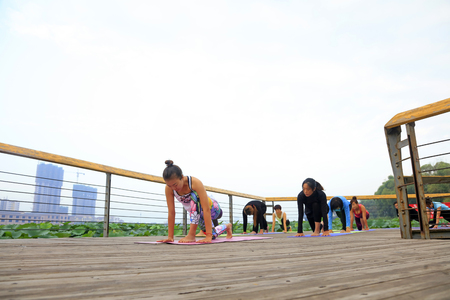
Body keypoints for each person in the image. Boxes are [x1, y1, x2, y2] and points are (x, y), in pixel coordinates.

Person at [157, 160, 232, 243]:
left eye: (175, 184)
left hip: (213, 209)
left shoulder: (194, 183)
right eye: (169, 185)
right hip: (198, 215)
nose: (173, 188)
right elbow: (171, 212)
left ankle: (191, 235)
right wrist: (170, 237)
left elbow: (206, 209)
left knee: (193, 196)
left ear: (182, 177)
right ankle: (227, 226)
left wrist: (208, 236)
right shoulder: (169, 189)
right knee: (213, 234)